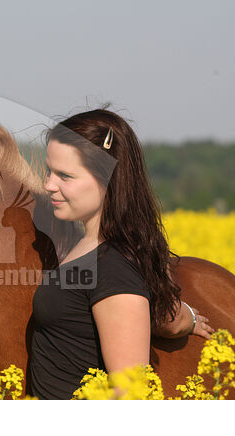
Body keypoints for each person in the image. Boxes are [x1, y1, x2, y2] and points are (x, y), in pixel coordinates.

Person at [27, 108, 214, 400]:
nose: (49, 185)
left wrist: (185, 318)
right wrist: (182, 317)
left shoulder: (113, 268)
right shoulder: (84, 247)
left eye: (65, 176)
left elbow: (129, 396)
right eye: (49, 171)